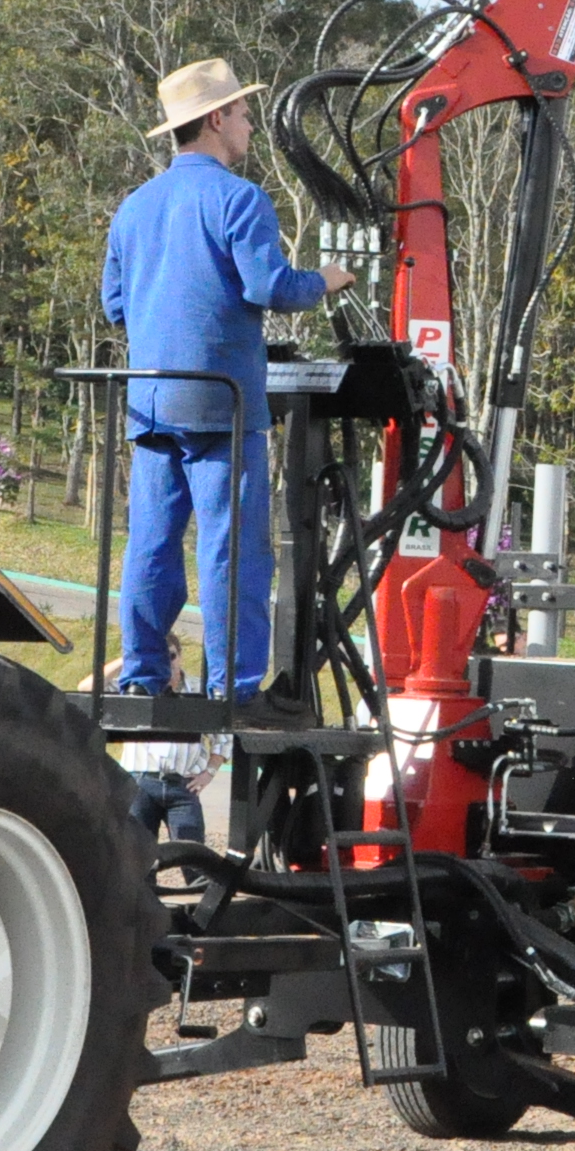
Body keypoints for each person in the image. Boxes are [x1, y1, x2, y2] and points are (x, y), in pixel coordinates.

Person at [103, 59, 354, 697]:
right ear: (216, 119)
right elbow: (271, 287)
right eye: (242, 114)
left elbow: (115, 304)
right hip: (223, 405)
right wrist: (325, 279)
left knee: (151, 546)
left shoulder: (134, 207)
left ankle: (142, 674)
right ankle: (233, 686)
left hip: (150, 401)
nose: (247, 125)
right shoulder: (239, 199)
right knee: (232, 548)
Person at [120, 732, 218, 846]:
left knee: (192, 854)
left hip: (184, 788)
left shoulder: (199, 713)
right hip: (139, 783)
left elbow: (223, 739)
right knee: (136, 855)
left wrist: (210, 772)